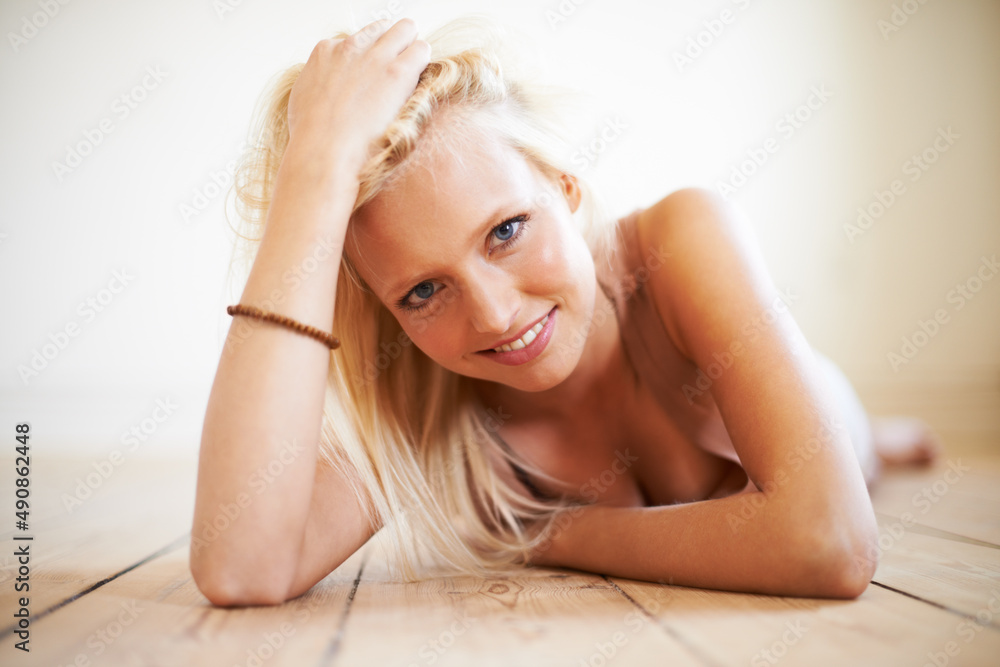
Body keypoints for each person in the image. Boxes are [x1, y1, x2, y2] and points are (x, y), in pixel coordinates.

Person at [189, 15, 941, 608]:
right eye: (422, 292)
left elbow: (829, 540)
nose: (493, 316)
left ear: (565, 185)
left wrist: (554, 536)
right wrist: (312, 177)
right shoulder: (421, 413)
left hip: (834, 411)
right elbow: (241, 566)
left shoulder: (681, 239)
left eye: (506, 231)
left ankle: (878, 434)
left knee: (855, 436)